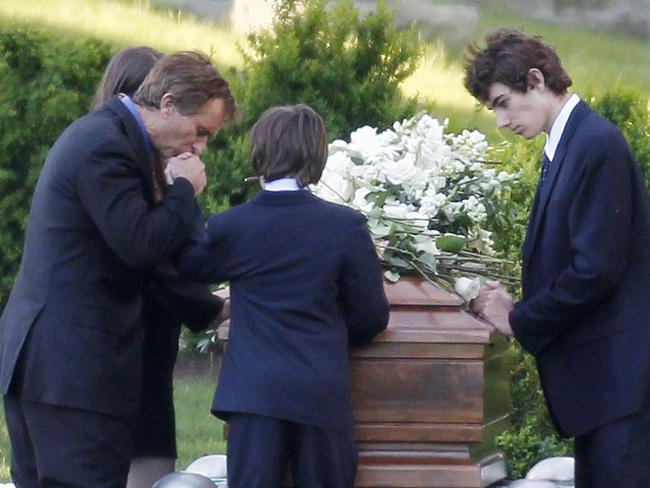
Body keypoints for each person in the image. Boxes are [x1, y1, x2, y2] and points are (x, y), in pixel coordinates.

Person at [0, 51, 236, 487]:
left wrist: (206, 307)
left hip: (55, 371)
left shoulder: (111, 138)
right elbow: (140, 244)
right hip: (70, 373)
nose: (200, 147)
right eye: (200, 131)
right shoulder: (105, 144)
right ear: (167, 103)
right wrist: (184, 190)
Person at [464, 29, 650, 487]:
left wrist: (520, 318)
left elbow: (595, 270)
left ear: (536, 79)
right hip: (605, 391)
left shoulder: (595, 144)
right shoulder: (569, 145)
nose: (502, 121)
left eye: (503, 102)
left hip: (621, 387)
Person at [174, 105, 390, 488]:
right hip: (320, 393)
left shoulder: (233, 226)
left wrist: (186, 195)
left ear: (259, 153)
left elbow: (185, 265)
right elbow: (371, 317)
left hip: (253, 395)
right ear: (317, 156)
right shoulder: (345, 226)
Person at [92, 46, 229, 488]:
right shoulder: (118, 163)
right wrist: (210, 307)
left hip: (147, 345)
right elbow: (150, 257)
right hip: (125, 344)